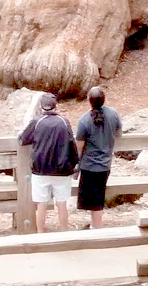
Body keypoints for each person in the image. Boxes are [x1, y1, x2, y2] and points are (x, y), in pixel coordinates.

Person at [18, 92, 79, 232]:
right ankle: (64, 232)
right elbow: (72, 145)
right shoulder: (64, 122)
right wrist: (75, 164)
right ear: (55, 106)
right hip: (62, 170)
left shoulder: (36, 122)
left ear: (41, 106)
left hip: (41, 169)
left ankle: (41, 234)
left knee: (41, 204)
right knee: (62, 203)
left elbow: (22, 139)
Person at [75, 87, 122, 228]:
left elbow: (79, 146)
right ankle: (95, 226)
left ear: (89, 101)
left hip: (89, 166)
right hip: (105, 164)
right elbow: (118, 133)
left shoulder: (84, 121)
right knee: (98, 198)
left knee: (94, 202)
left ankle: (97, 228)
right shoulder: (113, 114)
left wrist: (76, 164)